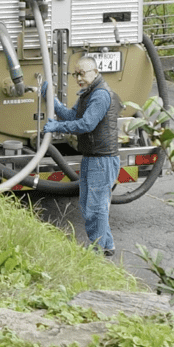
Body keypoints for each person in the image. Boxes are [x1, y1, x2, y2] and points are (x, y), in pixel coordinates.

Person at [40, 57, 121, 257]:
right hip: (93, 156)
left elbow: (86, 125)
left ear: (95, 71)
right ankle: (106, 245)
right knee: (88, 204)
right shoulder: (88, 94)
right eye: (76, 74)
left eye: (82, 74)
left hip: (102, 159)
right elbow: (72, 117)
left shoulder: (100, 95)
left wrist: (57, 127)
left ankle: (98, 250)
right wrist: (53, 101)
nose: (78, 78)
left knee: (96, 207)